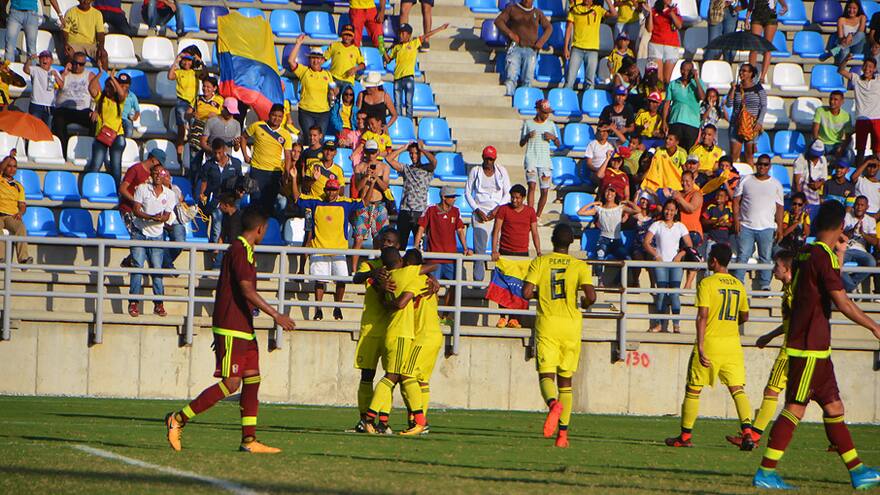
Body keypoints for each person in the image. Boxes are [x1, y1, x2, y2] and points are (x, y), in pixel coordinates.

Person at [752, 201, 880, 490]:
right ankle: (766, 471)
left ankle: (858, 471)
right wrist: (874, 326)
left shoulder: (808, 253)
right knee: (795, 408)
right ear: (841, 225)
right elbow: (842, 302)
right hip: (808, 347)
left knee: (834, 407)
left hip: (818, 349)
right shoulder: (821, 257)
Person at [164, 207, 296, 454]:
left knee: (253, 378)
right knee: (231, 383)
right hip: (232, 325)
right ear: (260, 229)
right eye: (265, 229)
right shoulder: (238, 250)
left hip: (243, 326)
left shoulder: (244, 250)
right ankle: (178, 419)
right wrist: (276, 315)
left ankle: (249, 440)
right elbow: (246, 289)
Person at [664, 243, 756, 449]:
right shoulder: (738, 284)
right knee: (737, 389)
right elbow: (745, 316)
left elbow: (702, 316)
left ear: (714, 261)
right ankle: (748, 434)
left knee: (694, 389)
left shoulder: (707, 283)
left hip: (711, 343)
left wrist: (702, 346)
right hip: (732, 345)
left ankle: (685, 437)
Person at [522, 223, 596, 448]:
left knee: (546, 375)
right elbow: (591, 297)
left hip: (548, 325)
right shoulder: (580, 265)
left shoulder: (541, 262)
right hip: (572, 326)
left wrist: (540, 292)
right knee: (566, 382)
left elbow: (525, 293)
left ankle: (553, 404)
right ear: (571, 242)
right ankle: (562, 435)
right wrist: (583, 301)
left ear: (552, 240)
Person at [724, 249, 795, 449]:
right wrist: (769, 336)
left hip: (791, 350)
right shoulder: (791, 290)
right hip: (801, 348)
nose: (774, 269)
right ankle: (837, 438)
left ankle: (754, 437)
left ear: (786, 268)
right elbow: (792, 321)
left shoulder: (793, 292)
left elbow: (799, 321)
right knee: (818, 396)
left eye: (777, 266)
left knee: (772, 391)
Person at [362, 248, 437, 436]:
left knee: (402, 376)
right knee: (401, 377)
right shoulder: (415, 277)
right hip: (409, 334)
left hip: (410, 334)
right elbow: (434, 267)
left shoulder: (386, 280)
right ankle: (416, 421)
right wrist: (434, 280)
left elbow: (387, 299)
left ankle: (411, 421)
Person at [350, 228, 403, 432]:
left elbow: (421, 272)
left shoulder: (402, 267)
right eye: (383, 241)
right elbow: (357, 278)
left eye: (390, 242)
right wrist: (373, 274)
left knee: (391, 377)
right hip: (371, 328)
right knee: (367, 375)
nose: (386, 244)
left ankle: (383, 421)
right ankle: (364, 419)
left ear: (398, 246)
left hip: (393, 329)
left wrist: (433, 280)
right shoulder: (371, 265)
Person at [294, 177, 363, 321]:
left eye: (334, 190)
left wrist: (372, 181)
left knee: (341, 280)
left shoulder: (345, 203)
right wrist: (295, 178)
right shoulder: (316, 202)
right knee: (319, 281)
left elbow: (363, 202)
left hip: (339, 250)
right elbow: (297, 199)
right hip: (319, 248)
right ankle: (318, 309)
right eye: (329, 189)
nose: (331, 193)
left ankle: (337, 307)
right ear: (325, 190)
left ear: (338, 190)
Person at [414, 185, 470, 325]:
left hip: (450, 258)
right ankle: (432, 315)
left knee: (455, 286)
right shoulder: (431, 210)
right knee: (432, 287)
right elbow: (421, 227)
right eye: (451, 197)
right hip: (434, 258)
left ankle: (446, 315)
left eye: (454, 197)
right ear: (444, 197)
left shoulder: (456, 212)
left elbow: (460, 230)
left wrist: (465, 248)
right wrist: (416, 247)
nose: (454, 200)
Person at [128, 163, 176, 318]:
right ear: (151, 174)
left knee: (156, 269)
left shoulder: (170, 194)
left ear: (165, 176)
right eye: (155, 173)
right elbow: (136, 210)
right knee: (138, 267)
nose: (157, 176)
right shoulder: (142, 189)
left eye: (160, 174)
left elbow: (167, 216)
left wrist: (159, 218)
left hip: (156, 234)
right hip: (140, 232)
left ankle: (158, 304)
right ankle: (133, 302)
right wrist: (150, 217)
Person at [732, 155, 784, 291]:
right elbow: (736, 201)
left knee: (765, 257)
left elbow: (780, 207)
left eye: (766, 164)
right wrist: (736, 220)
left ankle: (765, 285)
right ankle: (738, 283)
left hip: (767, 227)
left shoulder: (776, 184)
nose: (762, 167)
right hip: (746, 226)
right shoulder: (746, 180)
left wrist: (780, 228)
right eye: (760, 164)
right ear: (756, 164)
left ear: (770, 166)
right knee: (743, 255)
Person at [644, 199, 693, 333]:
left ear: (676, 211)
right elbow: (646, 242)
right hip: (661, 263)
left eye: (672, 210)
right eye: (667, 209)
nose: (669, 212)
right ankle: (659, 324)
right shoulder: (657, 224)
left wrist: (680, 255)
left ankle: (676, 324)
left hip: (675, 264)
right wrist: (656, 255)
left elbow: (689, 245)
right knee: (661, 293)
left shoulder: (680, 226)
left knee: (674, 294)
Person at [465, 146, 511, 281]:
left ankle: (498, 281)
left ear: (495, 159)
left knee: (497, 249)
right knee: (480, 249)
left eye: (491, 159)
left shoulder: (502, 171)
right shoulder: (476, 171)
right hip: (480, 213)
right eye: (486, 158)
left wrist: (498, 209)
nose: (489, 161)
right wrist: (476, 209)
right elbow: (468, 192)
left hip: (498, 213)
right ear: (482, 158)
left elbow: (507, 192)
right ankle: (478, 280)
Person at [385, 23, 448, 118]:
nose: (401, 36)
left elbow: (426, 35)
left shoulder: (413, 44)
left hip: (408, 77)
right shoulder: (396, 47)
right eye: (400, 33)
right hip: (397, 78)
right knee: (397, 104)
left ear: (409, 35)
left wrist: (440, 28)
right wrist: (382, 50)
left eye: (403, 33)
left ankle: (408, 123)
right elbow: (388, 60)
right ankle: (399, 122)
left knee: (409, 103)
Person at [241, 103, 295, 214]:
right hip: (257, 170)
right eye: (274, 115)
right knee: (255, 201)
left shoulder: (285, 135)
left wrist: (286, 172)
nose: (276, 118)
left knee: (269, 204)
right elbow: (243, 137)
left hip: (274, 173)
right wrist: (246, 155)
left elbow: (288, 155)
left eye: (280, 116)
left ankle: (266, 229)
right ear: (269, 115)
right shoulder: (258, 126)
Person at [577, 187, 638, 285]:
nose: (609, 193)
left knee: (628, 259)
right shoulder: (599, 209)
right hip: (603, 239)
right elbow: (580, 212)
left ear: (615, 194)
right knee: (600, 255)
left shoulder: (620, 208)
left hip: (617, 240)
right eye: (607, 191)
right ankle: (600, 281)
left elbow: (637, 210)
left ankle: (619, 281)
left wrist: (628, 201)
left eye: (612, 191)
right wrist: (594, 203)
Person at [494, 0, 552, 96]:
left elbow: (549, 27)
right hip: (515, 48)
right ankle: (509, 100)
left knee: (528, 79)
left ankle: (524, 101)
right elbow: (498, 21)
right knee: (511, 77)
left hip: (531, 50)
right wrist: (510, 33)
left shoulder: (537, 13)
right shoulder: (512, 9)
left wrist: (541, 42)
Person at [388, 141, 436, 247]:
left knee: (419, 247)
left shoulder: (427, 169)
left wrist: (422, 149)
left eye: (416, 153)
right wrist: (404, 148)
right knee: (400, 246)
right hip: (405, 211)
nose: (414, 156)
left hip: (420, 212)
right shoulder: (406, 168)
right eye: (411, 153)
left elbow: (434, 162)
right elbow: (389, 159)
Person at [288, 37, 338, 137]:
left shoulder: (327, 74)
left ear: (322, 60)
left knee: (320, 140)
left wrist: (334, 91)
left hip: (323, 112)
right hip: (306, 111)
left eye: (318, 58)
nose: (315, 61)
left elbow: (333, 91)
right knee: (309, 138)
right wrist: (298, 44)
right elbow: (290, 61)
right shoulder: (304, 71)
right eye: (313, 58)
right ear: (309, 59)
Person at [563, 0, 617, 91]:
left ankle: (588, 102)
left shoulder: (598, 9)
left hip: (592, 50)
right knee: (570, 79)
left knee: (590, 81)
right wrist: (565, 48)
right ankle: (566, 100)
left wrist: (608, 1)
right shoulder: (575, 9)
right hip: (577, 48)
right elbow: (568, 28)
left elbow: (614, 14)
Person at [84, 69, 126, 183]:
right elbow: (91, 88)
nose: (108, 89)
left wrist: (113, 78)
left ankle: (116, 191)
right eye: (107, 86)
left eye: (111, 87)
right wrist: (100, 73)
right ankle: (90, 187)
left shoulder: (120, 101)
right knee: (95, 165)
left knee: (116, 166)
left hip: (117, 136)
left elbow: (121, 93)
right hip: (101, 135)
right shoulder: (101, 99)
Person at [838, 55, 880, 164]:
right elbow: (841, 70)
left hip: (877, 118)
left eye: (870, 67)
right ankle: (859, 174)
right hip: (861, 118)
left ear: (874, 69)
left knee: (877, 150)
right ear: (862, 67)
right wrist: (846, 59)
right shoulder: (856, 79)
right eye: (865, 66)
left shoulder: (879, 80)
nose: (867, 69)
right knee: (860, 150)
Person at [200, 139, 243, 244]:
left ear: (224, 150)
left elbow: (240, 181)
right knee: (217, 224)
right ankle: (215, 250)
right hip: (216, 200)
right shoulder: (208, 166)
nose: (218, 155)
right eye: (215, 153)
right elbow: (204, 182)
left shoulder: (236, 163)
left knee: (233, 225)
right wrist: (202, 194)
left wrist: (240, 193)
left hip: (232, 200)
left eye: (219, 152)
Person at [520, 99, 558, 217]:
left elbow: (558, 143)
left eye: (548, 113)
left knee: (545, 190)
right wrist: (527, 136)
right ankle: (530, 214)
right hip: (531, 158)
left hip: (545, 161)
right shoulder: (528, 123)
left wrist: (552, 137)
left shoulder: (551, 125)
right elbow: (521, 143)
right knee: (531, 186)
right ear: (538, 111)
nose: (546, 115)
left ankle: (538, 215)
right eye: (544, 112)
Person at [668, 170, 704, 289]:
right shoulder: (679, 194)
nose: (685, 183)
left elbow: (691, 208)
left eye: (687, 181)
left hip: (693, 231)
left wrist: (680, 199)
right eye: (682, 181)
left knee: (689, 255)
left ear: (693, 181)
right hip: (678, 231)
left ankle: (687, 284)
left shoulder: (696, 194)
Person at [168, 52, 204, 165]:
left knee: (194, 130)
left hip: (194, 103)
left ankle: (190, 155)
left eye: (189, 60)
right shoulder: (179, 72)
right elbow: (170, 76)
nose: (186, 62)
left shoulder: (195, 72)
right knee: (181, 129)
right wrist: (176, 61)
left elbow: (204, 74)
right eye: (184, 60)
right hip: (182, 102)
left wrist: (200, 61)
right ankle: (179, 155)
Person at [727, 63, 766, 165]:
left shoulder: (758, 88)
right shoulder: (737, 88)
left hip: (751, 125)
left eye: (744, 71)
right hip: (736, 124)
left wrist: (759, 121)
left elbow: (763, 106)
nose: (741, 73)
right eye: (741, 70)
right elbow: (729, 103)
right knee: (734, 155)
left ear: (751, 73)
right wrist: (732, 89)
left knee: (749, 156)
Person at [188, 76, 224, 186]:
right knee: (194, 164)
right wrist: (192, 114)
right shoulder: (197, 99)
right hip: (197, 134)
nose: (205, 89)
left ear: (214, 88)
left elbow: (225, 116)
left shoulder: (220, 100)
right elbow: (187, 113)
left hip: (212, 135)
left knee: (212, 163)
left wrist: (217, 115)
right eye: (204, 86)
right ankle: (193, 188)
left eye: (208, 87)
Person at [663, 60, 705, 151]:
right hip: (675, 121)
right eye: (683, 70)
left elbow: (702, 97)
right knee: (674, 150)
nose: (685, 72)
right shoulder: (673, 84)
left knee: (688, 151)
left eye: (688, 70)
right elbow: (667, 104)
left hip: (692, 124)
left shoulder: (698, 83)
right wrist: (664, 121)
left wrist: (696, 79)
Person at [0, 152, 31, 265]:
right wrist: (9, 157)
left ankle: (23, 259)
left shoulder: (19, 186)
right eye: (9, 166)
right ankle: (1, 257)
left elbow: (22, 204)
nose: (12, 169)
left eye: (14, 166)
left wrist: (20, 213)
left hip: (11, 216)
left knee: (20, 227)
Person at [841, 195, 878, 292]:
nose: (859, 207)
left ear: (867, 207)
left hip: (861, 250)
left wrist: (863, 234)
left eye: (862, 205)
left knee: (871, 263)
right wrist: (852, 231)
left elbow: (874, 242)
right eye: (857, 204)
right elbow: (840, 235)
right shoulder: (847, 216)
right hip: (846, 249)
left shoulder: (870, 220)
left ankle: (849, 285)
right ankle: (852, 287)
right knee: (836, 264)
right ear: (854, 205)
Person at [746, 0, 787, 85]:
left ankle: (762, 77)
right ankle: (750, 75)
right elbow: (751, 3)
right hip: (757, 15)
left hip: (770, 15)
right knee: (754, 47)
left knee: (767, 47)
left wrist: (784, 5)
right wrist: (747, 17)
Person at [62, 0, 107, 70]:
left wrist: (101, 47)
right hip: (74, 44)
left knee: (103, 54)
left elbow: (100, 33)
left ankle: (104, 78)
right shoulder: (71, 12)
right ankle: (68, 77)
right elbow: (65, 31)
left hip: (90, 45)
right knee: (69, 53)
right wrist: (66, 44)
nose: (85, 1)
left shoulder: (97, 14)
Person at [645, 0, 682, 84]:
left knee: (666, 79)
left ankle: (666, 95)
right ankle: (659, 96)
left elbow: (679, 25)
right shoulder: (654, 10)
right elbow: (649, 29)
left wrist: (671, 12)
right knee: (658, 78)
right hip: (656, 45)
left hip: (671, 45)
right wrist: (650, 13)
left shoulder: (675, 10)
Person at [22, 51, 62, 129]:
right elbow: (26, 70)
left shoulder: (55, 71)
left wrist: (56, 76)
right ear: (39, 60)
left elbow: (61, 85)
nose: (44, 59)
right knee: (34, 127)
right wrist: (29, 59)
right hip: (36, 104)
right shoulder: (35, 70)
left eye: (47, 57)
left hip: (50, 105)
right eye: (42, 57)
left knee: (48, 129)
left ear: (52, 61)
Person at [812, 91, 854, 164]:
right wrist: (817, 141)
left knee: (849, 154)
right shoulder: (820, 110)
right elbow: (815, 128)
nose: (832, 101)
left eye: (835, 99)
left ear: (842, 101)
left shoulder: (846, 116)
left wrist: (841, 147)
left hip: (836, 144)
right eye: (831, 99)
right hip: (822, 142)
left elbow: (848, 136)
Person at [324, 24, 366, 92]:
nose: (347, 37)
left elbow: (363, 65)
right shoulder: (334, 45)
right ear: (342, 35)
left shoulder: (355, 49)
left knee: (347, 98)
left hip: (348, 80)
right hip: (334, 77)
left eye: (350, 35)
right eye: (345, 35)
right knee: (332, 97)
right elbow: (324, 58)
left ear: (353, 37)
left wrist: (355, 69)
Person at [792, 140, 828, 217]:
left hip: (815, 195)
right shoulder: (800, 159)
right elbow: (797, 183)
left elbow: (824, 178)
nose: (816, 157)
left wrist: (819, 183)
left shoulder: (823, 159)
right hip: (802, 194)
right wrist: (803, 201)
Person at [829, 0, 867, 65]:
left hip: (857, 48)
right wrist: (846, 39)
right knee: (845, 51)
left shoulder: (862, 17)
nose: (851, 10)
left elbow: (860, 32)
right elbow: (840, 37)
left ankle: (835, 51)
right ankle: (839, 71)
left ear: (858, 9)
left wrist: (851, 35)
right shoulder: (841, 20)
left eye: (854, 8)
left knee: (861, 34)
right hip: (844, 45)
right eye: (849, 8)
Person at [700, 186, 733, 256]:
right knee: (710, 259)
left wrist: (725, 224)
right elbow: (703, 221)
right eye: (717, 195)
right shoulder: (711, 207)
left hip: (725, 241)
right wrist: (716, 221)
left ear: (726, 198)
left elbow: (733, 224)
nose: (718, 197)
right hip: (712, 240)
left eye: (721, 196)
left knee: (725, 260)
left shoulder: (729, 210)